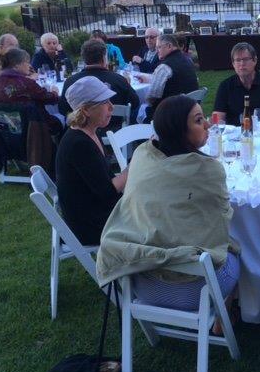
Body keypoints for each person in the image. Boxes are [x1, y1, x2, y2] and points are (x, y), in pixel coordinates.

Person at [96, 95, 239, 328]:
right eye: (198, 120)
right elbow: (222, 220)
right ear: (178, 130)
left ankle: (223, 317)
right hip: (197, 290)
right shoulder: (208, 170)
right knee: (236, 248)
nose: (207, 125)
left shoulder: (142, 154)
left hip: (139, 281)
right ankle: (226, 315)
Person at [56, 76, 128, 245]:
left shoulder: (88, 133)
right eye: (105, 102)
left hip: (94, 213)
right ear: (86, 110)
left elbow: (105, 181)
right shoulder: (79, 144)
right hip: (91, 225)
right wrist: (135, 166)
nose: (111, 107)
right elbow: (108, 192)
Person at [58, 39, 140, 126]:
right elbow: (135, 103)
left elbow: (63, 110)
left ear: (84, 59)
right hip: (114, 130)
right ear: (104, 58)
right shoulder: (119, 80)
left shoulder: (70, 81)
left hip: (81, 129)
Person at [0, 48, 62, 135]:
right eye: (27, 62)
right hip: (34, 126)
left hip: (10, 129)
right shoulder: (25, 83)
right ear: (17, 65)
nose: (29, 66)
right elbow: (50, 99)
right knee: (64, 117)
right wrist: (55, 92)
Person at [135, 34, 199, 123]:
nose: (157, 51)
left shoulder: (164, 66)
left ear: (169, 46)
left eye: (159, 47)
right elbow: (176, 80)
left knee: (136, 109)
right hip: (190, 109)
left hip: (169, 115)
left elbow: (152, 97)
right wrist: (150, 79)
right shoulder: (187, 60)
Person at [213, 42, 260, 126]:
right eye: (238, 60)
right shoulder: (225, 86)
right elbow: (217, 117)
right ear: (233, 64)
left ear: (255, 60)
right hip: (234, 132)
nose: (242, 64)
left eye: (246, 59)